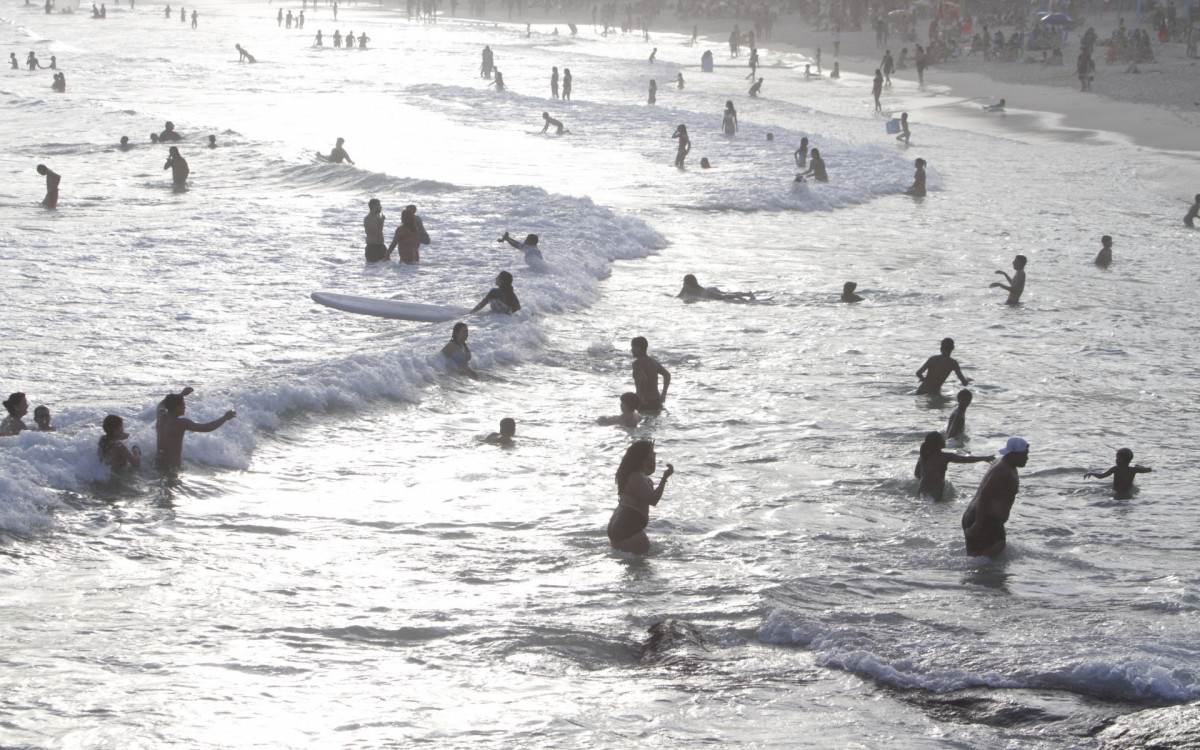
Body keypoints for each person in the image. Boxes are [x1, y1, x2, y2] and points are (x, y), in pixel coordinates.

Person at [962, 437, 1028, 557]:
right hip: (984, 519)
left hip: (975, 516)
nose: (1027, 458)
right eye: (1024, 455)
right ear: (1013, 454)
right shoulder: (1002, 469)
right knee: (992, 554)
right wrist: (978, 523)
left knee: (975, 560)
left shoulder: (1006, 464)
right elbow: (985, 494)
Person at [607, 439, 674, 554]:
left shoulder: (635, 474)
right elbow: (652, 500)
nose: (655, 455)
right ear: (644, 456)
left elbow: (649, 472)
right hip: (628, 525)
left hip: (622, 524)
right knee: (643, 569)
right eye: (652, 453)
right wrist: (664, 479)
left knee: (632, 566)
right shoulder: (635, 475)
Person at [155, 387, 236, 470]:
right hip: (172, 469)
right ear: (177, 407)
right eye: (183, 405)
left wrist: (181, 395)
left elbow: (161, 404)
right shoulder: (181, 423)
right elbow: (206, 428)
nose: (185, 407)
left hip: (158, 465)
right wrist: (224, 418)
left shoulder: (161, 416)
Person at [915, 431, 993, 501]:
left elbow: (917, 474)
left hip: (923, 486)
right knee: (936, 509)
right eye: (942, 439)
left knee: (924, 503)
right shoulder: (944, 456)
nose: (944, 440)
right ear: (938, 443)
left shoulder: (922, 457)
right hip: (936, 486)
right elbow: (965, 459)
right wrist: (984, 458)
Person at [1084, 448, 1152, 492]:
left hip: (1117, 492)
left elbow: (1102, 476)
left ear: (1123, 460)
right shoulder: (1133, 470)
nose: (1116, 460)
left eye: (1118, 458)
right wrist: (1139, 467)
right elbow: (1149, 469)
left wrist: (1091, 473)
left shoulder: (1116, 469)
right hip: (1127, 493)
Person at [630, 336, 670, 410]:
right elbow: (667, 375)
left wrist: (641, 396)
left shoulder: (637, 363)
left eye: (633, 347)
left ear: (638, 348)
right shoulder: (653, 362)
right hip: (657, 400)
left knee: (642, 420)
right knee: (654, 420)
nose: (631, 350)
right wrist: (664, 394)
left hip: (645, 401)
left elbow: (643, 379)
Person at [677, 274, 754, 301]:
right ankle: (747, 294)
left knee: (724, 297)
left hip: (708, 294)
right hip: (708, 292)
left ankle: (738, 296)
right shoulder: (696, 286)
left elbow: (678, 296)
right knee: (725, 295)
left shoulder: (686, 287)